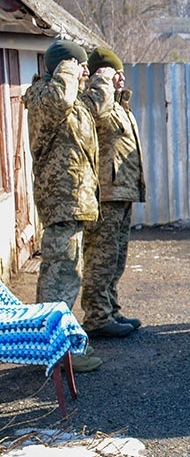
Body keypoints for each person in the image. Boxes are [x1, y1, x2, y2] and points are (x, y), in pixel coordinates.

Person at [25, 39, 103, 372]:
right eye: (79, 64)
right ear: (62, 66)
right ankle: (62, 352)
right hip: (60, 200)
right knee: (62, 277)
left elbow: (94, 109)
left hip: (73, 200)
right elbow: (60, 100)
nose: (85, 70)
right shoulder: (46, 96)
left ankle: (54, 345)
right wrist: (68, 69)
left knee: (63, 274)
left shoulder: (67, 96)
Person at [80, 47, 146, 340]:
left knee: (116, 258)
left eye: (120, 72)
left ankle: (111, 309)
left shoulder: (119, 104)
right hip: (105, 193)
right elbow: (97, 113)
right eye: (113, 72)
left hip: (121, 191)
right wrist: (102, 80)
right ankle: (96, 317)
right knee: (100, 258)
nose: (120, 77)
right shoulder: (95, 100)